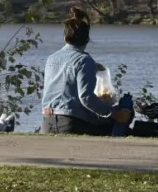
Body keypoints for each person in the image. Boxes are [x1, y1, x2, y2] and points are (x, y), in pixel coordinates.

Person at [41, 7, 131, 135]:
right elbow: (86, 97)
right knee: (110, 128)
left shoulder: (52, 58)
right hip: (69, 123)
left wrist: (93, 66)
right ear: (87, 39)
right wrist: (112, 113)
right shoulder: (84, 60)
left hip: (47, 120)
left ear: (65, 38)